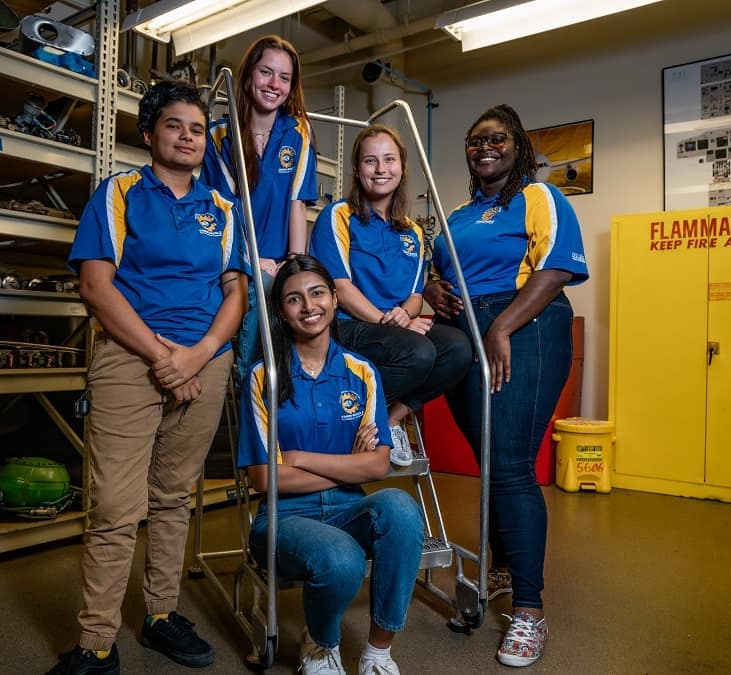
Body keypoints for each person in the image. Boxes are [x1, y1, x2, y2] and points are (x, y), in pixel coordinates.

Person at [50, 80, 248, 675]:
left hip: (205, 363)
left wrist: (202, 352)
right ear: (149, 133)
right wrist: (164, 357)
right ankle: (96, 645)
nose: (187, 137)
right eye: (174, 126)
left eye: (196, 129)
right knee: (114, 506)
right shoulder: (120, 193)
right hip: (130, 357)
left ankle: (161, 615)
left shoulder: (223, 210)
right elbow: (95, 286)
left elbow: (235, 290)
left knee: (172, 499)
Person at [424, 104, 588, 668]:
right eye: (475, 141)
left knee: (513, 463)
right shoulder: (460, 213)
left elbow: (557, 267)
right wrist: (435, 291)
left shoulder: (540, 198)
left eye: (497, 139)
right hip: (467, 331)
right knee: (491, 462)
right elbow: (439, 270)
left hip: (527, 328)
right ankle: (500, 567)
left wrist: (503, 325)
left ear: (518, 146)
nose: (484, 148)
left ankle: (530, 611)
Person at [237, 255, 426, 675]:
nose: (308, 306)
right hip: (283, 517)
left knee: (401, 509)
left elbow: (377, 467)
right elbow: (265, 478)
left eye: (317, 293)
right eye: (293, 299)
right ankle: (321, 645)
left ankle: (379, 651)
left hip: (346, 507)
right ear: (282, 313)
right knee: (341, 557)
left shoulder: (362, 372)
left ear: (335, 299)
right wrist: (348, 462)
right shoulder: (263, 377)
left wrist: (301, 459)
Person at [308, 124, 471, 466]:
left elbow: (414, 294)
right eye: (371, 161)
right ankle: (353, 421)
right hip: (348, 327)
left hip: (393, 329)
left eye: (389, 160)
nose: (381, 169)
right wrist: (389, 321)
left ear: (402, 167)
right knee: (419, 352)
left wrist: (405, 315)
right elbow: (338, 286)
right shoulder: (338, 215)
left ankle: (389, 420)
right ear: (357, 169)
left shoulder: (412, 231)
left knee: (458, 348)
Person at [201, 34, 317, 378]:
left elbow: (298, 201)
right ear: (249, 73)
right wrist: (253, 259)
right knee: (261, 289)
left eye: (284, 78)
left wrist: (294, 262)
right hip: (237, 260)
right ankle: (251, 383)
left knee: (307, 291)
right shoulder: (219, 135)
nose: (274, 84)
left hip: (280, 260)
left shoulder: (299, 132)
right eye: (267, 72)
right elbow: (222, 212)